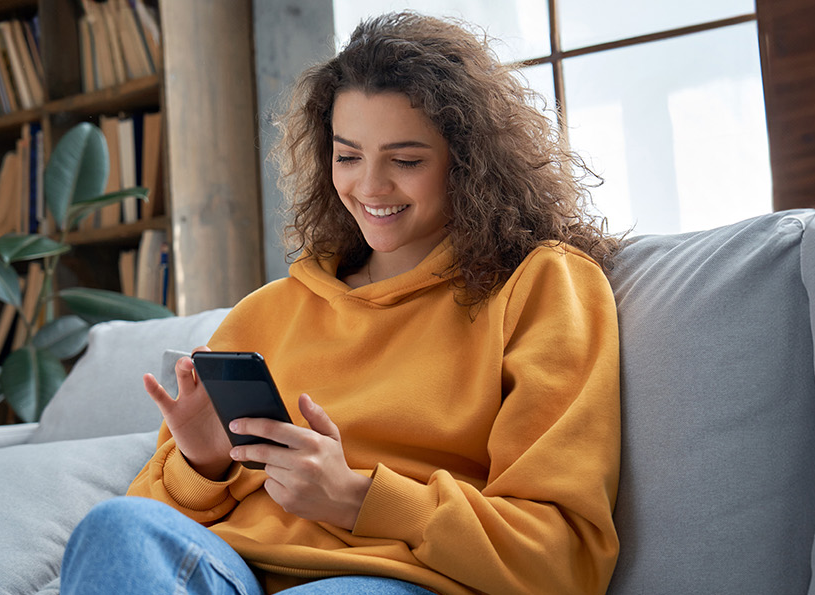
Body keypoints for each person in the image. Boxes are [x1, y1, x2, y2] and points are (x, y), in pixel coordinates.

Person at [60, 11, 623, 595]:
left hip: (392, 576)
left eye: (406, 161)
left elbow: (563, 559)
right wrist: (201, 464)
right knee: (115, 527)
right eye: (348, 156)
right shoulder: (265, 312)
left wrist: (356, 497)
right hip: (230, 570)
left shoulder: (541, 286)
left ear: (469, 162)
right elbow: (148, 539)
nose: (370, 187)